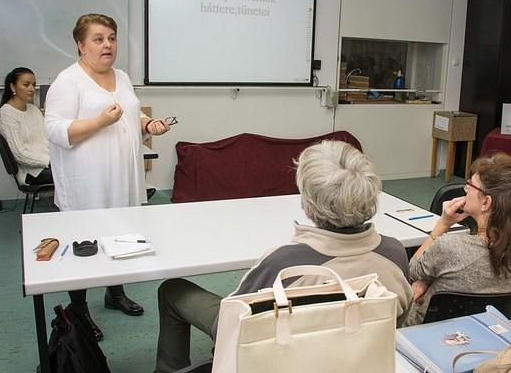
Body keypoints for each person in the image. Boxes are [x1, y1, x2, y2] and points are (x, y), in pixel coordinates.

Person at [154, 140, 413, 373]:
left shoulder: (283, 263)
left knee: (172, 289)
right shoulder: (394, 253)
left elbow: (230, 324)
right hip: (361, 357)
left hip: (288, 358)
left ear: (308, 205)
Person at [44, 13, 171, 340]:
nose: (108, 45)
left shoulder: (122, 77)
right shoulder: (68, 81)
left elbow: (132, 111)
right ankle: (79, 310)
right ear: (80, 45)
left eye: (112, 38)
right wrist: (99, 122)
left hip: (122, 176)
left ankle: (114, 293)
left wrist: (147, 124)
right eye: (98, 39)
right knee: (85, 243)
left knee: (122, 235)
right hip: (86, 182)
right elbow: (54, 129)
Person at [403, 153, 511, 326]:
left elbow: (412, 270)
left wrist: (442, 224)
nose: (465, 189)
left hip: (424, 336)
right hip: (488, 333)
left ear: (486, 202)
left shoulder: (450, 246)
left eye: (470, 185)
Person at [0, 67, 52, 185]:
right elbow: (20, 154)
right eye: (26, 85)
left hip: (48, 162)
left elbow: (47, 138)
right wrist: (50, 161)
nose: (32, 89)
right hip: (30, 172)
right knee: (76, 172)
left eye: (33, 84)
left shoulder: (33, 110)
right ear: (13, 87)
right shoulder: (6, 114)